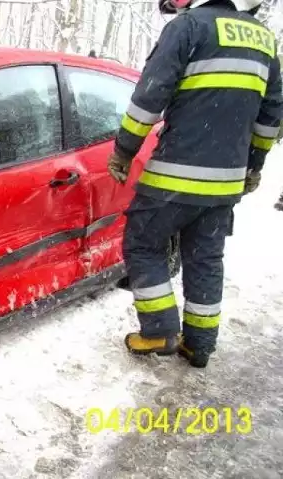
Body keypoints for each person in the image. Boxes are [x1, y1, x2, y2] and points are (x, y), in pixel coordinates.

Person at [107, 0, 283, 368]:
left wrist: (124, 151)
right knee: (205, 259)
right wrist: (254, 165)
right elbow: (270, 116)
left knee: (143, 243)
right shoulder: (264, 39)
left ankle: (159, 329)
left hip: (175, 174)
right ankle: (199, 344)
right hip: (225, 184)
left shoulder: (189, 26)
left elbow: (149, 97)